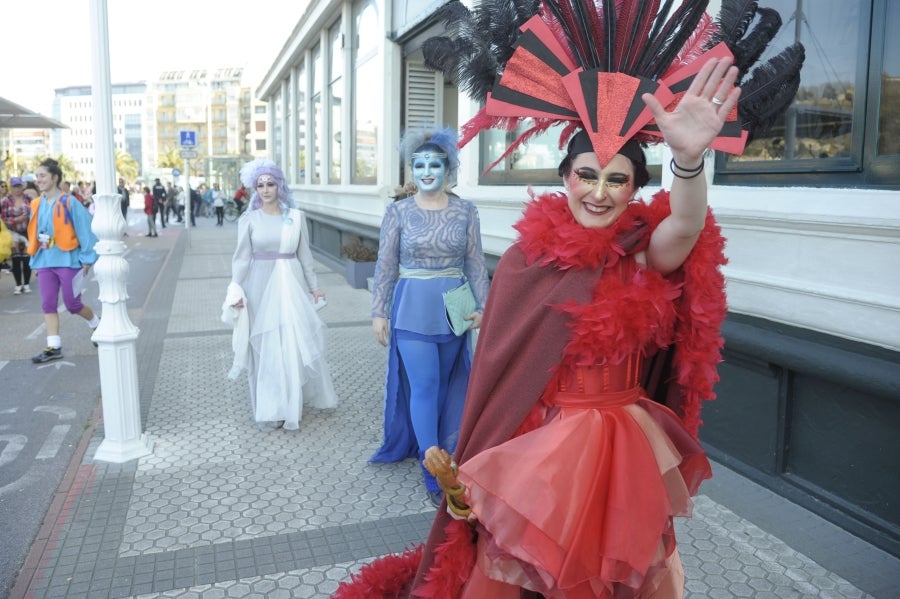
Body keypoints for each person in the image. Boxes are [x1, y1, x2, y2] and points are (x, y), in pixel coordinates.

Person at [334, 0, 804, 597]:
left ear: (635, 189)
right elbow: (504, 372)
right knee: (526, 571)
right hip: (542, 449)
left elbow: (685, 229)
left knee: (614, 575)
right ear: (564, 177)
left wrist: (688, 162)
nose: (600, 193)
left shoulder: (639, 250)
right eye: (588, 175)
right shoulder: (528, 262)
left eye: (617, 180)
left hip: (625, 452)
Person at [369, 126, 490, 507]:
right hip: (411, 307)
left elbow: (475, 263)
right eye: (418, 165)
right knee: (423, 385)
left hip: (454, 307)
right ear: (411, 170)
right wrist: (379, 312)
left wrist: (484, 307)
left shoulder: (466, 210)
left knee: (447, 385)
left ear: (448, 169)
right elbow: (386, 264)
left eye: (434, 164)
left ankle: (446, 449)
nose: (426, 172)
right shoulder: (398, 211)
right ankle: (432, 468)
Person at [222, 159, 338, 431]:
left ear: (279, 185)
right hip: (259, 285)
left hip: (291, 286)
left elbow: (305, 255)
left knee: (289, 345)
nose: (265, 189)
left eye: (270, 183)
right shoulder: (249, 220)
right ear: (254, 188)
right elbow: (241, 259)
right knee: (262, 347)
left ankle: (290, 405)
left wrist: (314, 286)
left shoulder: (296, 218)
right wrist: (234, 291)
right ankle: (270, 407)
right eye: (260, 185)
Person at [27, 158, 100, 363]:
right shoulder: (35, 204)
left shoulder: (70, 201)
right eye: (37, 176)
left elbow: (85, 229)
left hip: (68, 259)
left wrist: (87, 258)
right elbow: (35, 233)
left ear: (55, 177)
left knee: (72, 304)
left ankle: (96, 323)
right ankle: (54, 346)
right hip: (44, 260)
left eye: (42, 176)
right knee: (48, 303)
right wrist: (35, 259)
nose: (38, 180)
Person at [1, 177, 34, 294]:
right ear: (11, 187)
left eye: (19, 186)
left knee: (26, 259)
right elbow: (3, 219)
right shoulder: (5, 201)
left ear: (22, 186)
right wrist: (16, 220)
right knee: (16, 259)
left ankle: (26, 284)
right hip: (12, 233)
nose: (17, 189)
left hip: (27, 232)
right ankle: (18, 285)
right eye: (15, 186)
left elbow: (35, 214)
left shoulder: (29, 199)